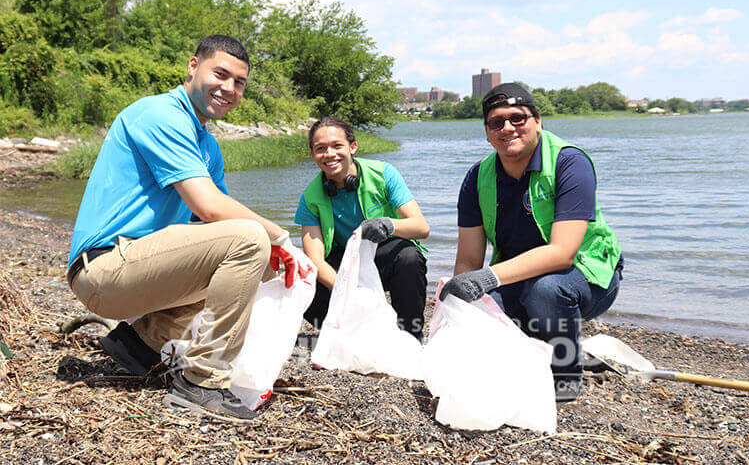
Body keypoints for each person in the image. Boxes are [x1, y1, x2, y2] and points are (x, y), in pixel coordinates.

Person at [66, 35, 307, 420]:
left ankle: (142, 344)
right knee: (251, 240)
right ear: (193, 67)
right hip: (103, 270)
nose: (229, 88)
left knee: (262, 261)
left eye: (239, 82)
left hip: (143, 269)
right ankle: (202, 383)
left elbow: (214, 223)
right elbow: (209, 208)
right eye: (221, 74)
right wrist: (279, 235)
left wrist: (277, 252)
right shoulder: (160, 115)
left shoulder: (208, 146)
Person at [440, 83, 623, 402]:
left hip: (586, 277)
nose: (507, 128)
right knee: (477, 313)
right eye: (496, 122)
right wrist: (457, 302)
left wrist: (488, 278)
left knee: (546, 291)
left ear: (538, 122)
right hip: (517, 277)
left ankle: (566, 375)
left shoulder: (569, 162)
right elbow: (469, 261)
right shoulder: (476, 178)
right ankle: (536, 343)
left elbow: (562, 254)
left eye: (518, 118)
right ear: (487, 134)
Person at [294, 116, 430, 340]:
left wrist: (388, 224)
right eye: (320, 149)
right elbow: (315, 259)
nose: (329, 154)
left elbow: (421, 228)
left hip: (385, 256)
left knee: (408, 256)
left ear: (353, 147)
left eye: (337, 145)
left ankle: (410, 335)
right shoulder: (310, 197)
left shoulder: (384, 173)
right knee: (302, 276)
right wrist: (346, 290)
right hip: (345, 264)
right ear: (312, 154)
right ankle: (346, 333)